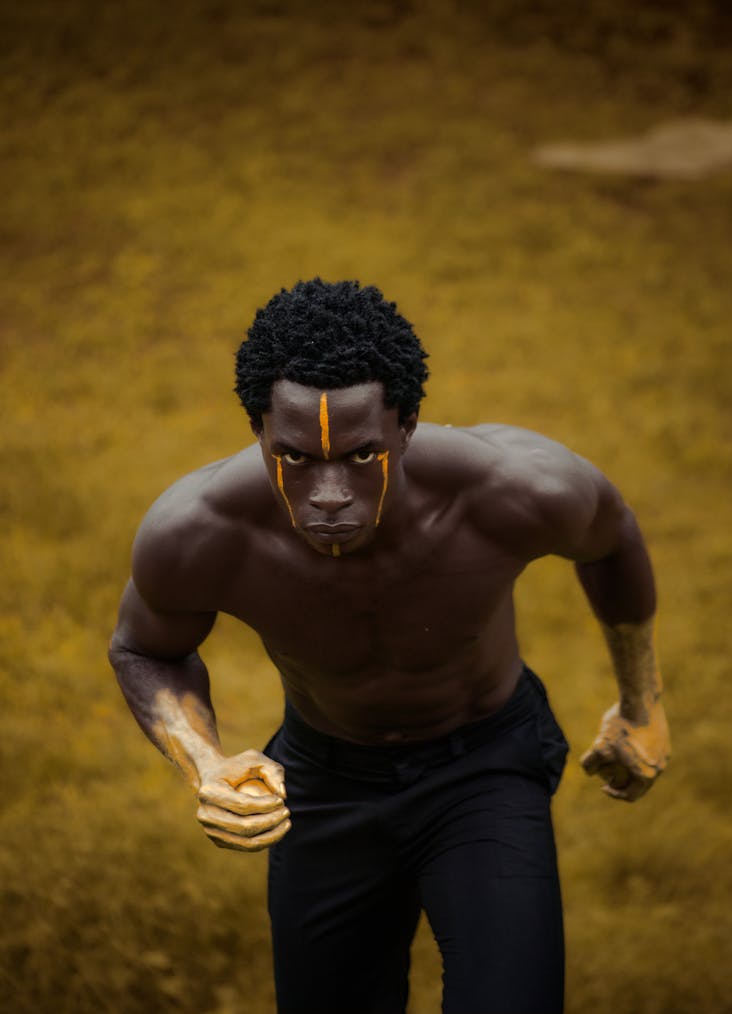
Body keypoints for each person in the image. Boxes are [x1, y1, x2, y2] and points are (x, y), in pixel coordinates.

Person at [109, 278, 670, 1014]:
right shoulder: (200, 532)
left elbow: (612, 537)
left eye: (362, 455)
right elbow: (145, 648)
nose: (330, 491)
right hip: (324, 779)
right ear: (258, 430)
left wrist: (642, 704)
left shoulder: (512, 489)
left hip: (483, 767)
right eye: (298, 458)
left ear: (405, 426)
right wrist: (205, 762)